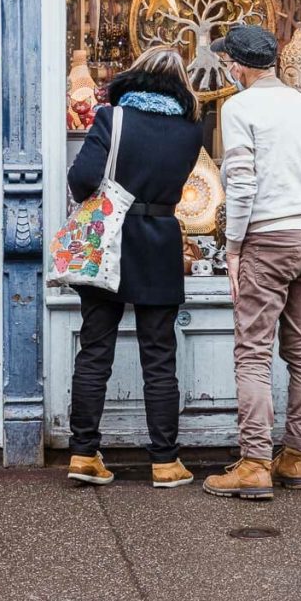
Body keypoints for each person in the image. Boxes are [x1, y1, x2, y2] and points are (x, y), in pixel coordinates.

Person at [66, 46, 203, 489]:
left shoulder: (112, 118)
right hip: (161, 242)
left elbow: (82, 179)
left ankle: (84, 454)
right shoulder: (190, 131)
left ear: (136, 75)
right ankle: (165, 462)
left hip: (110, 242)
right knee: (160, 357)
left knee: (95, 351)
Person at [202, 25, 301, 500]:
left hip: (266, 237)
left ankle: (255, 463)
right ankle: (297, 458)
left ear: (238, 66)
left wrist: (233, 248)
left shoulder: (238, 107)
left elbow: (240, 183)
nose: (229, 71)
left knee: (253, 351)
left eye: (229, 64)